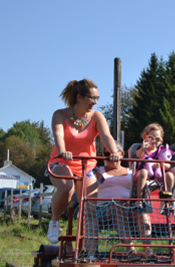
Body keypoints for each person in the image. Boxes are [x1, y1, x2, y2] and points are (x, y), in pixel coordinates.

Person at [47, 78, 120, 244]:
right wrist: (63, 151)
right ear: (79, 97)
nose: (94, 102)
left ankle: (90, 249)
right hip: (62, 162)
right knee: (67, 187)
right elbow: (58, 135)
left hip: (86, 165)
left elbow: (106, 136)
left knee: (90, 205)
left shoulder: (96, 117)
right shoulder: (60, 114)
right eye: (91, 98)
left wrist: (114, 151)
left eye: (96, 99)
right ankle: (55, 221)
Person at [134, 123, 175, 259]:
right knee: (143, 172)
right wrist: (143, 147)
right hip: (144, 176)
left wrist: (162, 164)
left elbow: (169, 163)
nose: (154, 141)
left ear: (161, 141)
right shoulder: (143, 149)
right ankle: (140, 200)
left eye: (157, 139)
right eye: (151, 138)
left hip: (158, 178)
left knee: (170, 174)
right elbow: (138, 156)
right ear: (146, 137)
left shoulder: (162, 151)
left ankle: (167, 201)